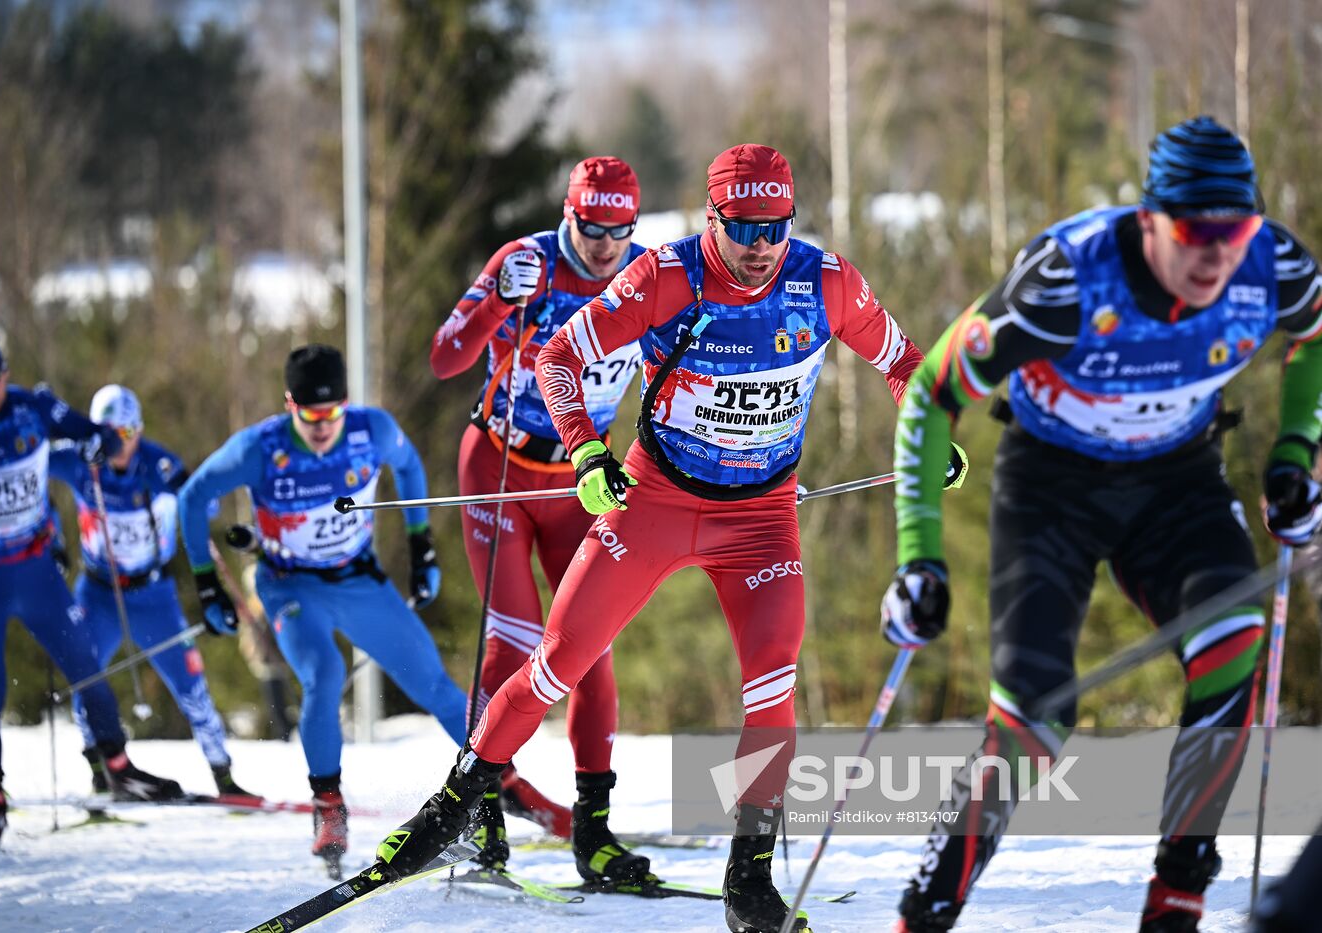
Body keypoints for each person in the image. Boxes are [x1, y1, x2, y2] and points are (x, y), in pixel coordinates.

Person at [375, 144, 957, 933]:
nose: (760, 246)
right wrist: (584, 448)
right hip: (653, 501)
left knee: (772, 681)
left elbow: (906, 364)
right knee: (556, 665)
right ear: (713, 217)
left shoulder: (825, 281)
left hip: (759, 519)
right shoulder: (664, 277)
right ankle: (453, 805)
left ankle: (749, 877)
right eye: (744, 227)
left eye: (776, 227)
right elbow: (558, 356)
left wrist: (927, 434)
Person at [880, 116, 1322, 932]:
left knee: (1234, 639)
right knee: (1034, 718)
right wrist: (919, 556)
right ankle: (927, 908)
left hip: (1176, 482)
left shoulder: (1273, 266)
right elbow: (932, 392)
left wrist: (1295, 452)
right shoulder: (1066, 279)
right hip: (1053, 486)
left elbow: (1316, 336)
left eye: (1237, 229)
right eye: (1195, 230)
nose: (1217, 253)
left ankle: (1176, 901)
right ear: (1150, 218)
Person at [429, 155, 649, 865]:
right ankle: (483, 809)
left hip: (578, 484)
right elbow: (444, 358)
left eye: (621, 230)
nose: (605, 245)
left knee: (590, 652)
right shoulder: (525, 263)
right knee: (513, 643)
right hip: (498, 467)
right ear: (569, 213)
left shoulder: (647, 277)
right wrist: (495, 299)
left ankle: (594, 826)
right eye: (592, 228)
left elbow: (684, 379)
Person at [176, 345, 466, 874]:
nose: (322, 426)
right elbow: (193, 498)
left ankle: (498, 783)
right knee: (324, 674)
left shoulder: (370, 430)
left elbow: (409, 465)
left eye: (331, 413)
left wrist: (422, 542)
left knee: (434, 684)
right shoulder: (259, 448)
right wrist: (205, 583)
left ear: (346, 405)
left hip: (358, 579)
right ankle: (328, 806)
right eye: (310, 415)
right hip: (292, 587)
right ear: (291, 405)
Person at [0, 329, 185, 852]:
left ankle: (118, 767)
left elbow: (104, 439)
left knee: (86, 663)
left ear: (6, 373)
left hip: (37, 569)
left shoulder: (34, 408)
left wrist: (97, 441)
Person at [50, 384, 254, 799]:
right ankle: (100, 769)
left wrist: (184, 492)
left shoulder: (158, 464)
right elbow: (28, 461)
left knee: (191, 685)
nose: (117, 444)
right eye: (107, 434)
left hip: (151, 595)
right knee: (82, 675)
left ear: (138, 431)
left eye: (125, 434)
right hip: (98, 592)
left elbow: (202, 503)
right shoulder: (80, 461)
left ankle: (223, 775)